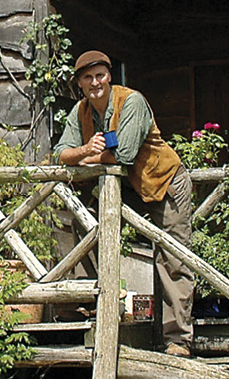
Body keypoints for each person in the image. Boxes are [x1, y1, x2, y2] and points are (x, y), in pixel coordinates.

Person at [54, 50, 197, 356]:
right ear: (79, 83)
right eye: (88, 78)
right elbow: (60, 153)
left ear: (110, 77)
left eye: (101, 75)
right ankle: (94, 306)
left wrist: (86, 156)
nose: (95, 83)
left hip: (164, 180)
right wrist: (83, 151)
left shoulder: (131, 101)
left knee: (171, 257)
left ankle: (177, 340)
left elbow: (124, 155)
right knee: (85, 225)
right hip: (126, 186)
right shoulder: (80, 112)